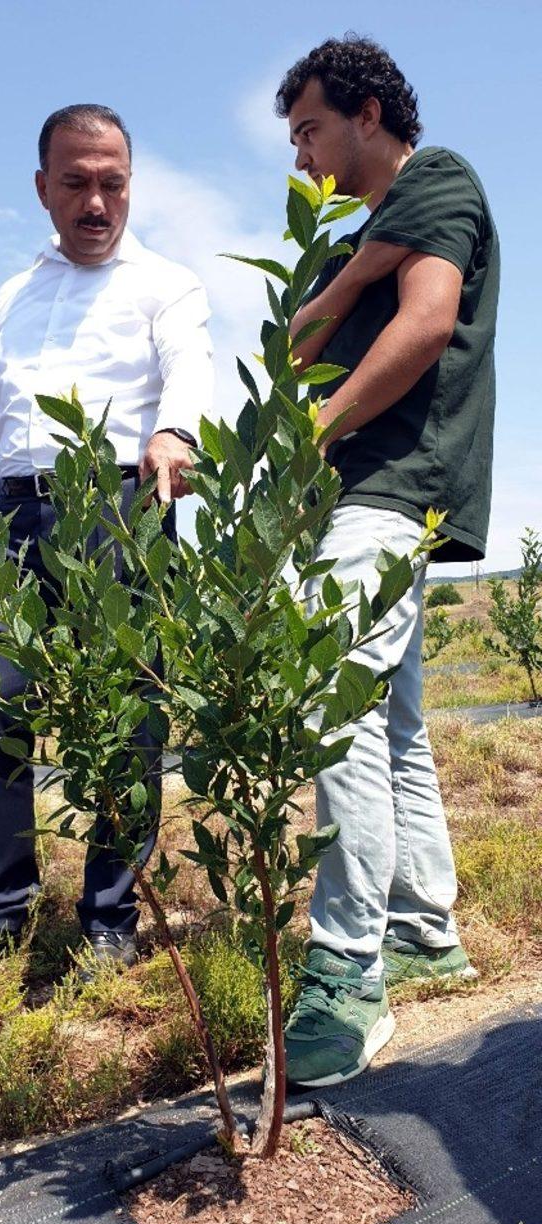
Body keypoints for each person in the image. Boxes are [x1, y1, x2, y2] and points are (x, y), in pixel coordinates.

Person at [0, 104, 212, 979]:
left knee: (131, 713)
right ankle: (0, 914)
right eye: (77, 183)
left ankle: (109, 916)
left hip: (121, 515)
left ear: (131, 184)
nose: (97, 202)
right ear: (41, 189)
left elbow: (191, 371)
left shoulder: (167, 285)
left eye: (113, 183)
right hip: (13, 521)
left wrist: (176, 432)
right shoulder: (12, 296)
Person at [274, 36, 499, 1086]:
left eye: (310, 128)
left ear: (368, 112)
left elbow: (424, 321)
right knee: (392, 720)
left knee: (334, 702)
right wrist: (346, 272)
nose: (301, 154)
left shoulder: (440, 176)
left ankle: (348, 969)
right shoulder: (351, 241)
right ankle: (422, 928)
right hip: (364, 492)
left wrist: (318, 426)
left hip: (392, 485)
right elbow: (302, 333)